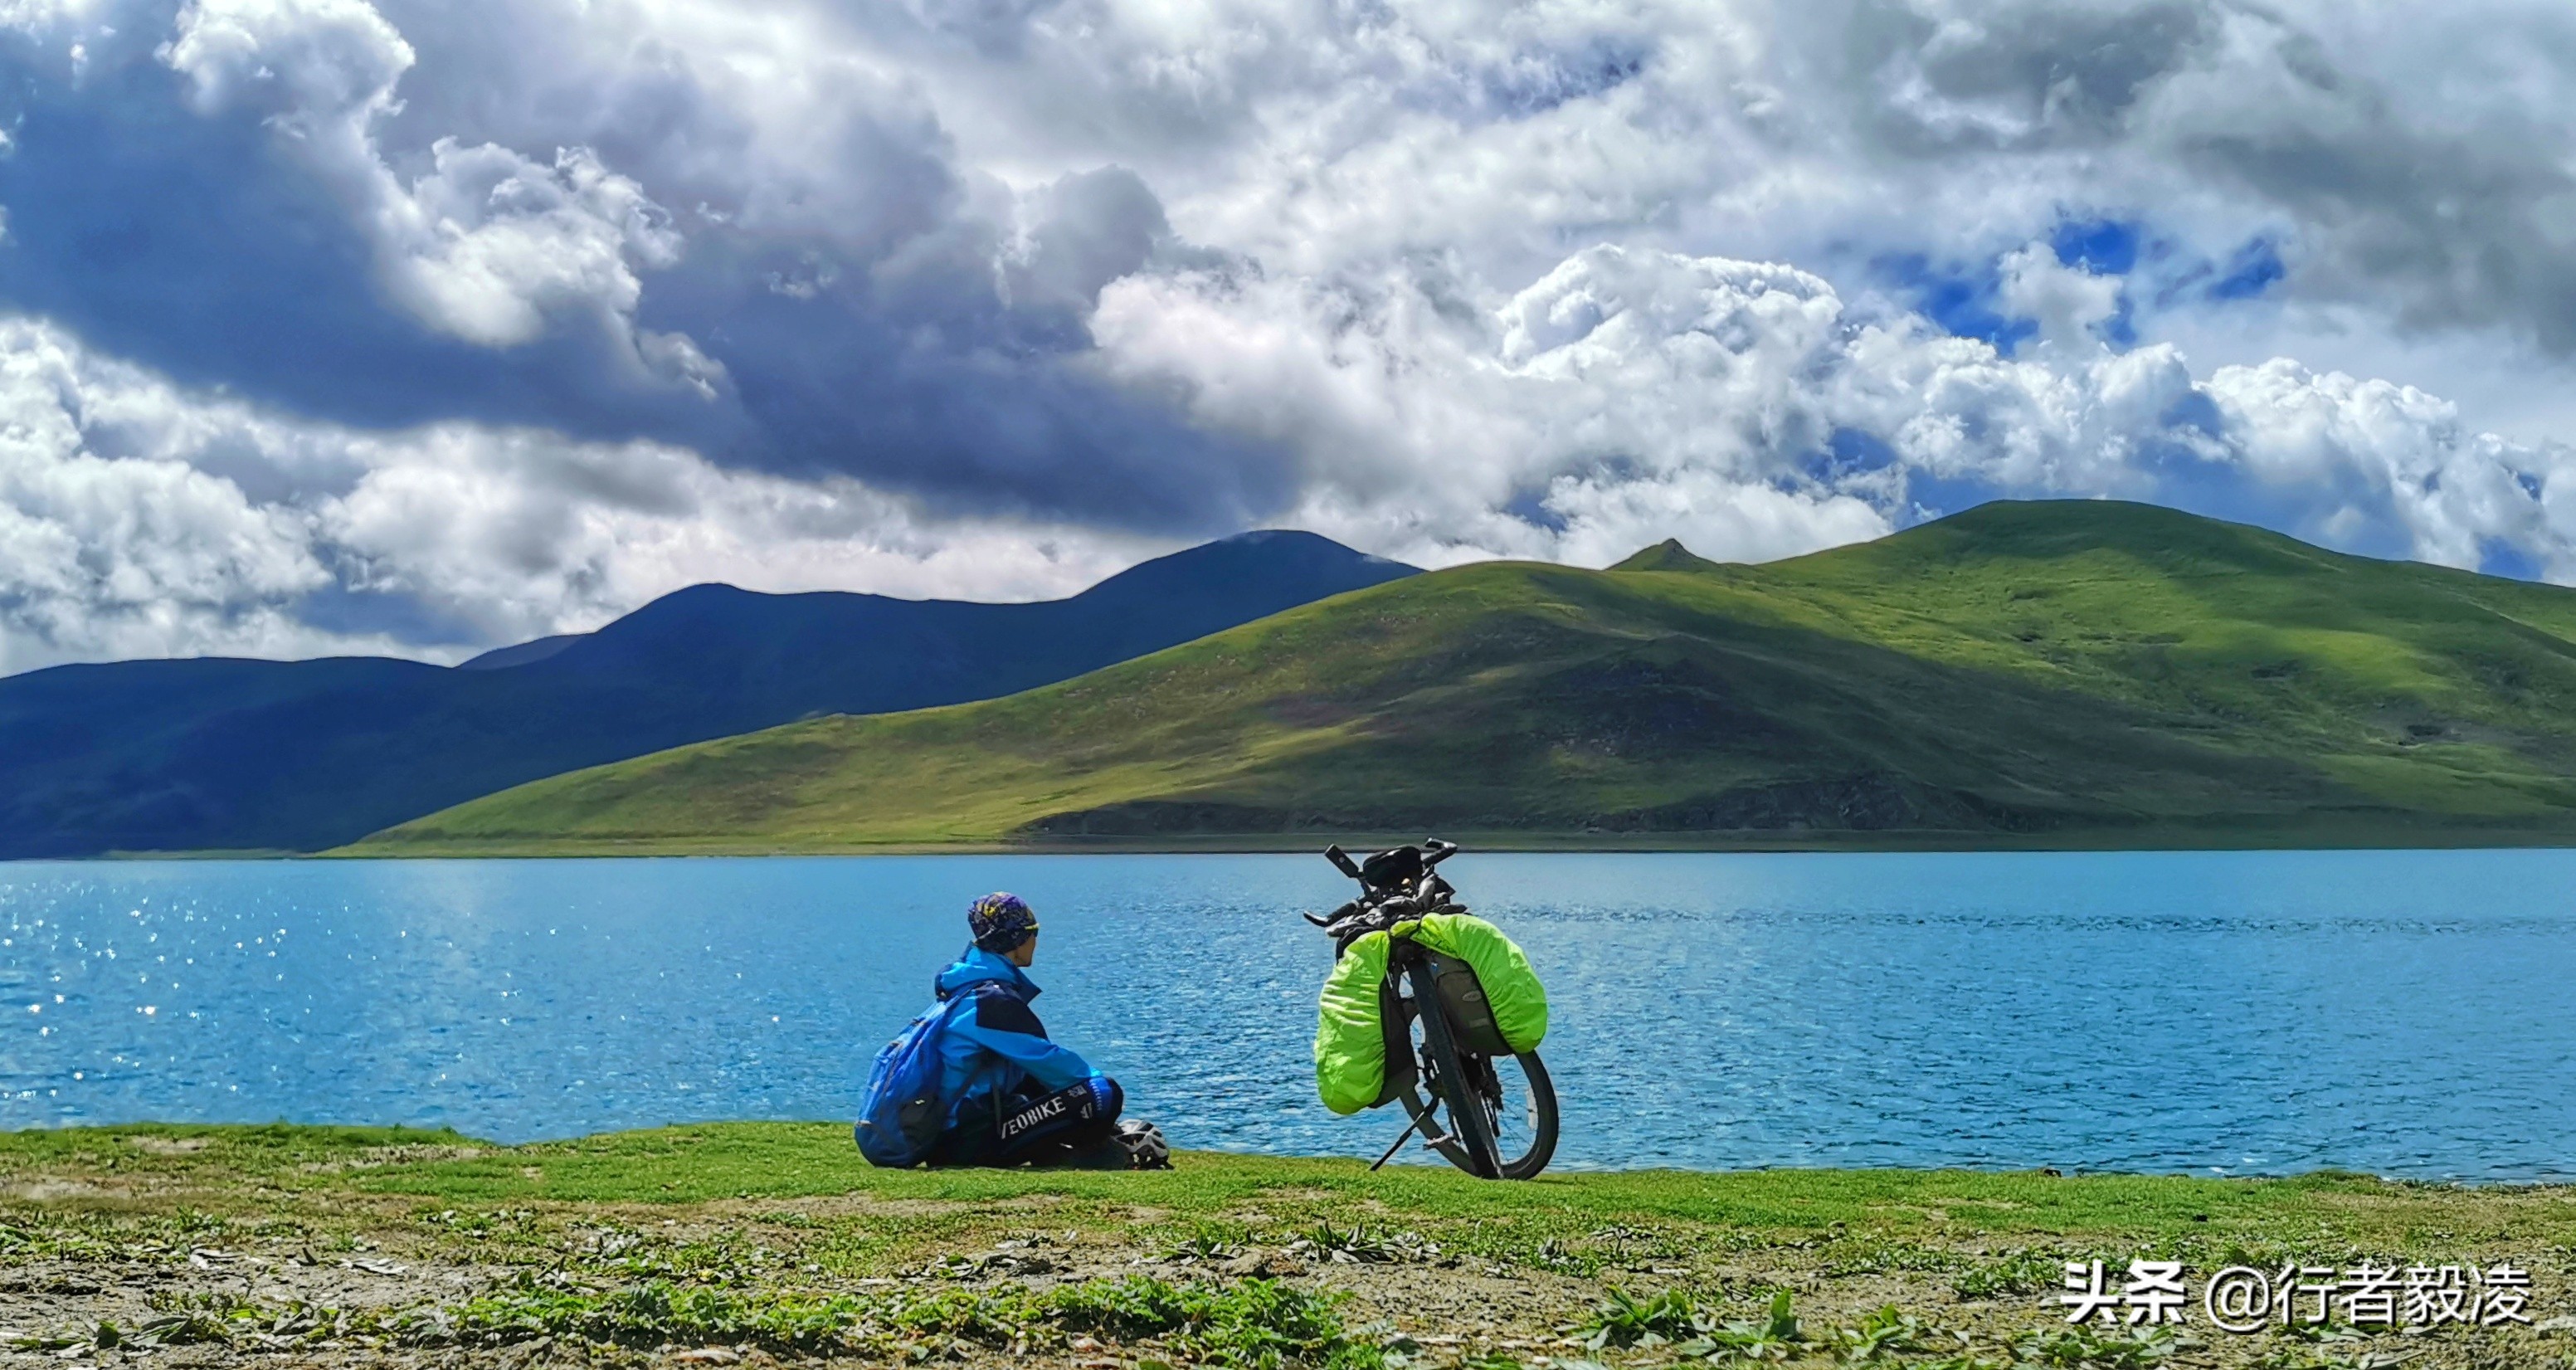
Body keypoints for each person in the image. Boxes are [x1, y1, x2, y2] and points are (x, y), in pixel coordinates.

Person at [925, 892, 1169, 1168]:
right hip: (962, 1141)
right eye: (1033, 933)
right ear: (1015, 939)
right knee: (1103, 1093)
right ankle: (1096, 1155)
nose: (1035, 941)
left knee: (1035, 1082)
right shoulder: (989, 1000)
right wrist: (1093, 1085)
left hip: (948, 1136)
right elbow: (1051, 1062)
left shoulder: (967, 987)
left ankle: (1074, 1153)